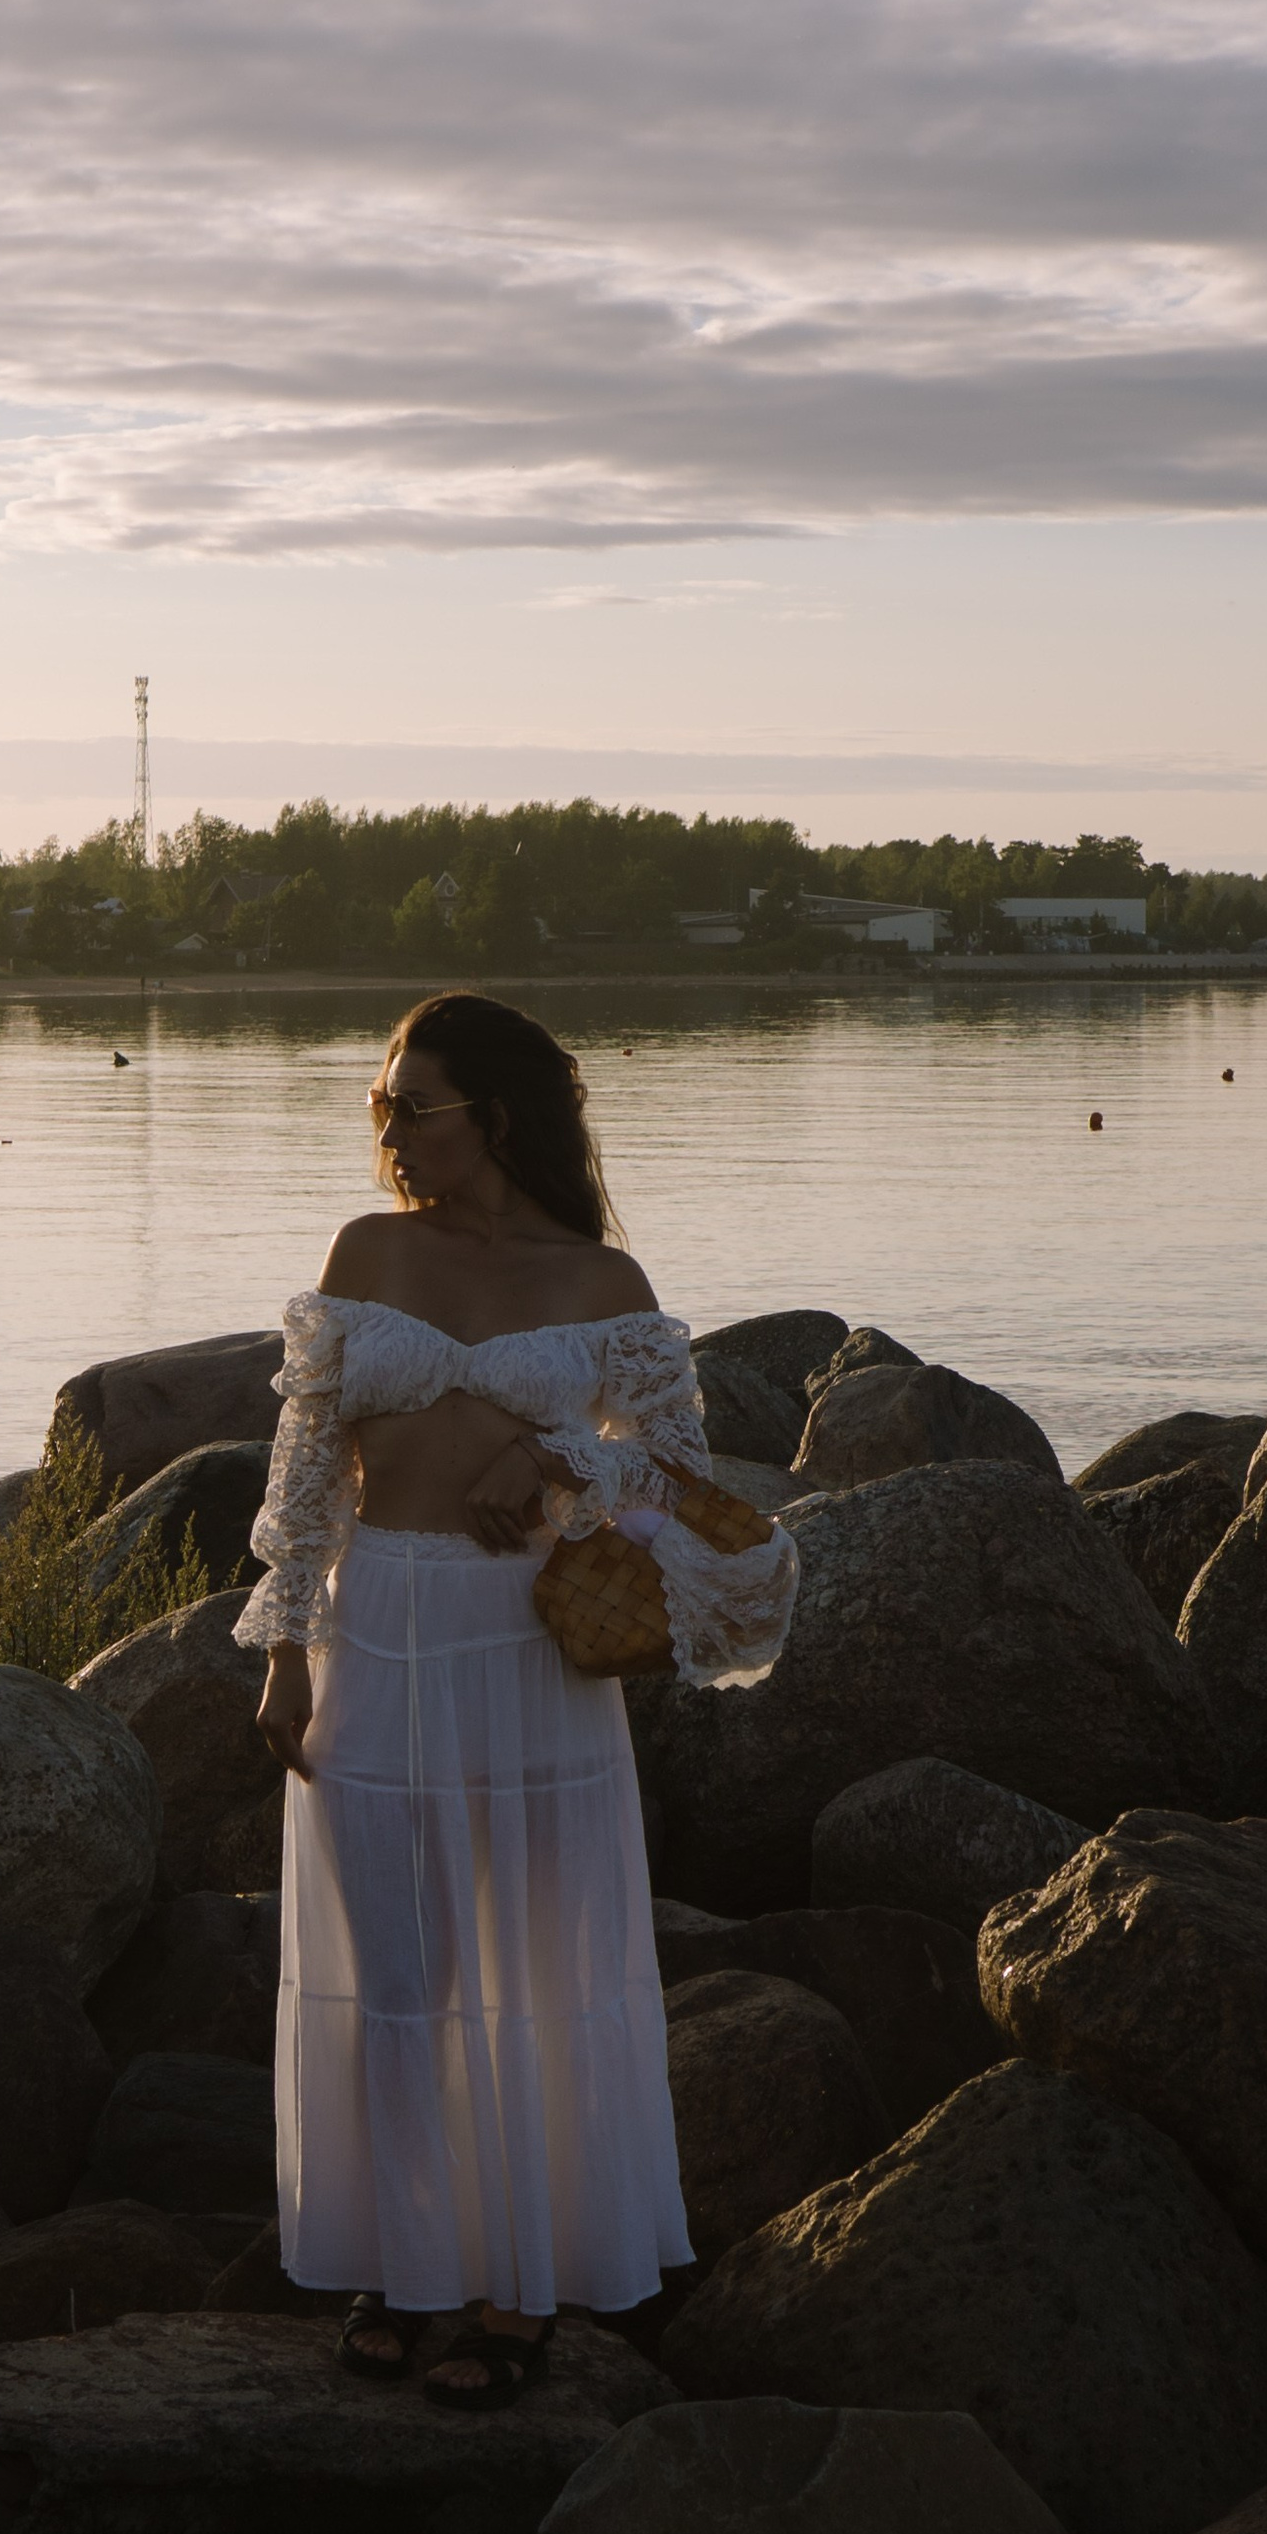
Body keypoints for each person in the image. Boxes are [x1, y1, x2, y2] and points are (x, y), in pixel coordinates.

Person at [236, 989, 799, 2409]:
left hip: (527, 1649)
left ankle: (514, 2293)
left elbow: (678, 1471)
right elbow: (305, 1473)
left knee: (533, 1968)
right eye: (380, 1106)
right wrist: (285, 1650)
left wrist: (562, 1468)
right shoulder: (368, 1252)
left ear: (493, 1116)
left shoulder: (599, 1283)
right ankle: (404, 2265)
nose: (389, 1133)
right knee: (400, 1979)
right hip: (381, 1630)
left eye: (411, 1106)